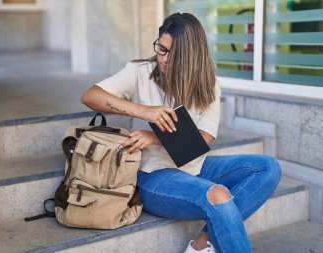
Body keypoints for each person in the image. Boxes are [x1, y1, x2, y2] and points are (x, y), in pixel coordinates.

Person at [81, 12, 281, 253]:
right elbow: (90, 96)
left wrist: (153, 136)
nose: (163, 58)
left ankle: (202, 243)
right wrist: (144, 112)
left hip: (194, 167)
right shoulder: (140, 72)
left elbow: (204, 139)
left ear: (190, 56)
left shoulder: (208, 83)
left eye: (172, 53)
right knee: (217, 196)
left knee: (268, 168)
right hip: (152, 175)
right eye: (161, 49)